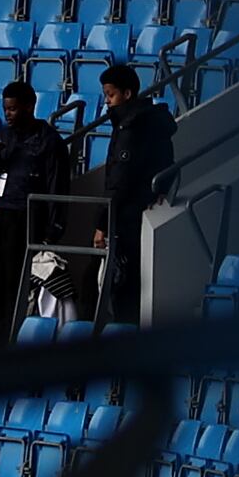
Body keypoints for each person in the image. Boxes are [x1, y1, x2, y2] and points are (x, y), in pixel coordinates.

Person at [0, 79, 73, 338]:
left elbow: (58, 188)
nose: (8, 114)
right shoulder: (4, 136)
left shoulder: (50, 141)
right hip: (2, 213)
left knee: (16, 279)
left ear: (30, 107)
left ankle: (13, 336)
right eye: (6, 109)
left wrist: (53, 232)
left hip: (28, 217)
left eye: (13, 109)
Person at [92, 62, 179, 325]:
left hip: (128, 216)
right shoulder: (153, 122)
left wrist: (101, 224)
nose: (107, 102)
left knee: (122, 286)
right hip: (144, 208)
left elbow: (120, 180)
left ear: (126, 94)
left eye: (111, 95)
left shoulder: (130, 127)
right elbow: (168, 162)